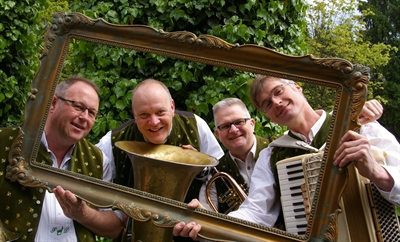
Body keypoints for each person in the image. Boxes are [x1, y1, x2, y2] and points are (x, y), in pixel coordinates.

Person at [173, 75, 399, 240]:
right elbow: (257, 213)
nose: (276, 103)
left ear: (298, 87)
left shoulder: (361, 126)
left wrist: (377, 173)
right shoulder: (272, 154)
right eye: (267, 104)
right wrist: (211, 221)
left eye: (278, 92)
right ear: (266, 115)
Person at [96, 78, 224, 241]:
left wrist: (201, 169)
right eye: (144, 115)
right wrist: (119, 214)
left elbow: (218, 178)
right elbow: (98, 193)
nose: (154, 122)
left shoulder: (196, 125)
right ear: (134, 114)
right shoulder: (110, 141)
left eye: (160, 112)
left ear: (172, 106)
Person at [0, 76, 126, 241]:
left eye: (92, 113)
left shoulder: (98, 159)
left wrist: (83, 214)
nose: (85, 117)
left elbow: (115, 228)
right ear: (53, 103)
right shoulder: (5, 142)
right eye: (78, 107)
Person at [198, 97, 271, 213]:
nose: (233, 129)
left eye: (239, 122)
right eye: (225, 126)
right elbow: (209, 221)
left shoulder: (277, 150)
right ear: (218, 134)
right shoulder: (215, 174)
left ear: (252, 124)